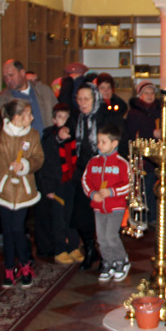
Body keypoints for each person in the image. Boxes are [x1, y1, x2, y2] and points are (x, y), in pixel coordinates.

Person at [0, 99, 44, 288]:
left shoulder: (32, 135)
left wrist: (25, 165)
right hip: (4, 189)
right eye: (28, 114)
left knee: (17, 229)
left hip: (23, 190)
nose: (32, 118)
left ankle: (25, 265)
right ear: (16, 117)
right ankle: (9, 268)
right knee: (7, 230)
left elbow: (38, 158)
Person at [72, 82, 123, 270]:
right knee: (81, 217)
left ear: (95, 99)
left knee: (103, 218)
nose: (82, 103)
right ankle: (89, 249)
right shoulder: (79, 118)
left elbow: (119, 145)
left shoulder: (107, 118)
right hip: (84, 172)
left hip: (105, 174)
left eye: (86, 99)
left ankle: (105, 255)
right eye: (79, 99)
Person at [81, 124, 132, 282]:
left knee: (111, 236)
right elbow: (85, 180)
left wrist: (112, 191)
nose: (99, 145)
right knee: (101, 239)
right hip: (98, 207)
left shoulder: (121, 163)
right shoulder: (93, 162)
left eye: (103, 142)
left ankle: (121, 260)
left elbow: (129, 184)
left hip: (116, 206)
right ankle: (108, 262)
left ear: (114, 143)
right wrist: (92, 193)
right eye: (98, 142)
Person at [37, 103, 82, 264]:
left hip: (72, 182)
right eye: (60, 117)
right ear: (54, 120)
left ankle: (73, 246)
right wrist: (48, 187)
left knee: (72, 216)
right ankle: (60, 248)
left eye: (66, 117)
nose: (64, 120)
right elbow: (46, 165)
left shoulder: (74, 136)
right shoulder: (49, 138)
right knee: (59, 218)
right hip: (57, 183)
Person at [125, 81, 161, 221]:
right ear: (140, 95)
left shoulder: (159, 111)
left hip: (156, 157)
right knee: (143, 189)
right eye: (146, 93)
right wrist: (152, 133)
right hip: (143, 158)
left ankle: (155, 218)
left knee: (155, 189)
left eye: (152, 92)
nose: (150, 95)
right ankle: (143, 219)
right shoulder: (134, 113)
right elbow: (132, 135)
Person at [0, 59, 57, 133]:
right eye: (5, 77)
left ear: (22, 73)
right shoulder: (1, 100)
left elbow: (58, 115)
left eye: (11, 75)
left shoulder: (44, 92)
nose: (8, 80)